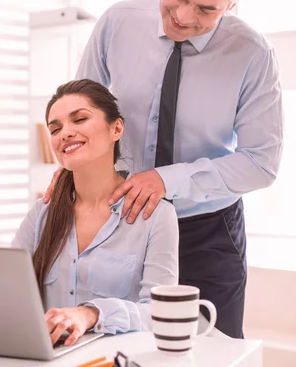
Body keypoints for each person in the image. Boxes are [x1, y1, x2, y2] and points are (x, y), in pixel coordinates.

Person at [44, 0, 283, 338]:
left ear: (232, 4)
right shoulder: (118, 23)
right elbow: (79, 108)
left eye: (206, 10)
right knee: (110, 338)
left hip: (205, 232)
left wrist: (164, 180)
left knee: (211, 351)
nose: (184, 17)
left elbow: (261, 163)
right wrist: (73, 163)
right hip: (120, 223)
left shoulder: (253, 54)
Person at [12, 79, 179, 347]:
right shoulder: (40, 215)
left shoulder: (156, 216)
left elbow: (160, 314)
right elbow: (10, 294)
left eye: (79, 119)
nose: (65, 133)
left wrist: (90, 314)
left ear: (116, 128)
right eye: (55, 129)